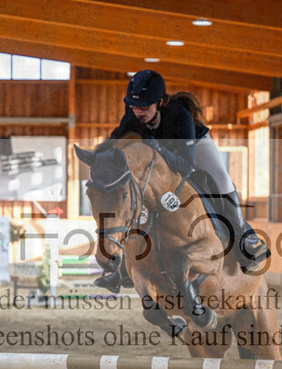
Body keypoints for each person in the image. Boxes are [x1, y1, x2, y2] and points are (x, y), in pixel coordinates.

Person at [94, 69, 269, 291]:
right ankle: (121, 265)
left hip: (192, 145)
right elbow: (113, 144)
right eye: (135, 106)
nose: (139, 112)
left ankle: (244, 238)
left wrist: (157, 149)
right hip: (160, 156)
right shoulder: (132, 116)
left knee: (222, 179)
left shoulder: (179, 115)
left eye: (145, 106)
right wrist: (97, 157)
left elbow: (186, 166)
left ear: (159, 102)